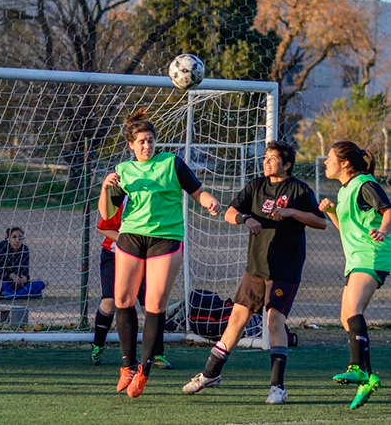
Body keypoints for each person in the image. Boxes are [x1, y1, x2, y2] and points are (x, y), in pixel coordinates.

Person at [182, 141, 326, 404]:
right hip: (256, 267)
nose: (267, 161)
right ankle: (210, 374)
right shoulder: (256, 186)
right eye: (266, 157)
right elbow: (230, 212)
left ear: (287, 164)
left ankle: (277, 388)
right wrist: (245, 219)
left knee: (273, 321)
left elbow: (321, 222)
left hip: (284, 269)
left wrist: (293, 212)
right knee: (236, 318)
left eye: (273, 158)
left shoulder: (299, 189)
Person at [99, 108, 221, 398]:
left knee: (154, 305)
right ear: (131, 145)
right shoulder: (123, 172)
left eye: (150, 140)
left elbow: (197, 190)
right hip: (131, 236)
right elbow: (107, 213)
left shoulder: (171, 163)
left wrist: (210, 201)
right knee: (123, 299)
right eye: (141, 141)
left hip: (166, 238)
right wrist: (105, 188)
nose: (147, 145)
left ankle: (144, 370)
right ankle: (127, 366)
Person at [320, 141, 391, 410]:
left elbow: (388, 210)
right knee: (346, 318)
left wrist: (383, 230)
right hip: (356, 258)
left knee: (353, 310)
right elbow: (344, 229)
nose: (325, 162)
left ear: (345, 163)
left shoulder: (364, 183)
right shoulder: (344, 191)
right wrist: (331, 213)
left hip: (372, 254)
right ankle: (368, 376)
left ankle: (358, 368)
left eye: (329, 158)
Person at [90, 201, 172, 370]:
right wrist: (130, 242)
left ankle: (157, 353)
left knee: (153, 303)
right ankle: (98, 345)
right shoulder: (122, 198)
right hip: (114, 255)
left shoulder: (155, 198)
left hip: (146, 257)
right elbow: (103, 227)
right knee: (110, 301)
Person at [0, 227, 45, 299]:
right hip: (4, 281)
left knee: (44, 281)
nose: (17, 240)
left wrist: (24, 277)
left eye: (20, 237)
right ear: (8, 238)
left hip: (19, 283)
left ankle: (12, 295)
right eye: (14, 237)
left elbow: (25, 271)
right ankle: (27, 293)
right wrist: (10, 275)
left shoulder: (25, 249)